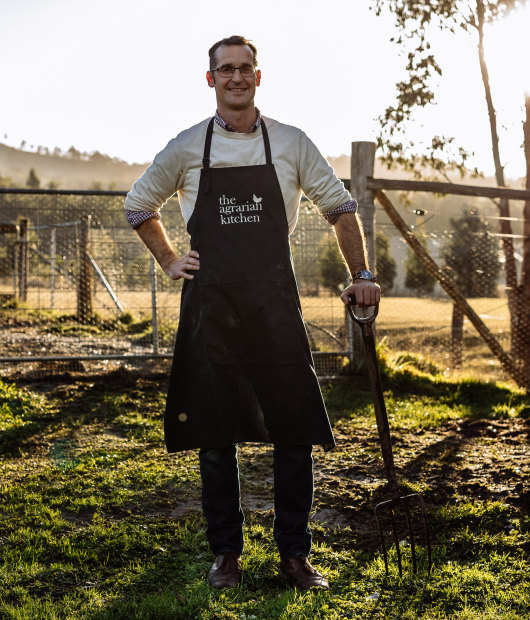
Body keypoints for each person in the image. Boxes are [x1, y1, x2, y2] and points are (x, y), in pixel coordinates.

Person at [125, 35, 380, 591]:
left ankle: (294, 555)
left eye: (246, 69)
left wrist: (360, 275)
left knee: (295, 430)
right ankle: (226, 555)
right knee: (215, 434)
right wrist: (170, 260)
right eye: (226, 70)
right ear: (210, 79)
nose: (236, 77)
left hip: (273, 307)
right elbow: (138, 204)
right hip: (211, 311)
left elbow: (340, 208)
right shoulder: (188, 146)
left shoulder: (291, 143)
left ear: (258, 77)